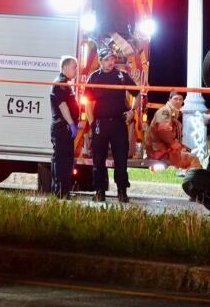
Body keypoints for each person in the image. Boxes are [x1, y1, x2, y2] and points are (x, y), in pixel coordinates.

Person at [85, 47, 139, 203]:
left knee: (121, 160)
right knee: (98, 160)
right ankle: (99, 191)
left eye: (113, 59)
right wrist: (92, 122)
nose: (111, 62)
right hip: (100, 123)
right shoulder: (94, 77)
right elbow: (87, 101)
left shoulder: (122, 76)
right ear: (101, 61)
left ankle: (122, 191)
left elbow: (137, 94)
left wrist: (132, 111)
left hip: (118, 122)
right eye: (108, 59)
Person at [145, 91, 202, 170]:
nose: (178, 101)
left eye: (180, 99)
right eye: (175, 99)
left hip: (163, 151)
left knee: (190, 156)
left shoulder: (172, 114)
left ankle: (189, 178)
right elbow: (164, 132)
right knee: (193, 159)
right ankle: (193, 181)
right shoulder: (164, 112)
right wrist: (178, 147)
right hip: (160, 153)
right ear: (169, 99)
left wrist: (182, 147)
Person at [49, 56, 80, 199]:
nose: (76, 70)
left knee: (67, 161)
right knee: (61, 161)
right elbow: (63, 105)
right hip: (62, 128)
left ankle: (65, 191)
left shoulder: (66, 83)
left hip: (65, 129)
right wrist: (71, 124)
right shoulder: (60, 83)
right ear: (65, 67)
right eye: (74, 67)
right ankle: (60, 192)